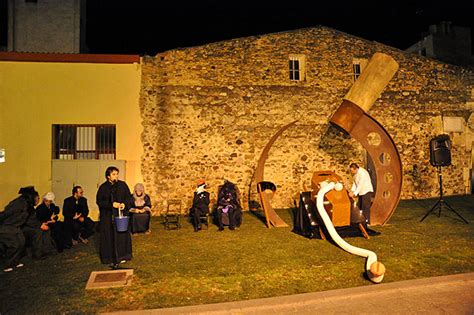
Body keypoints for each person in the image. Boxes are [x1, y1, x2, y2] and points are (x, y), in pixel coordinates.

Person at [96, 166, 132, 269]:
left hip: (120, 216)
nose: (116, 176)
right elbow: (100, 201)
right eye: (113, 174)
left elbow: (128, 197)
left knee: (121, 235)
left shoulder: (122, 185)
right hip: (108, 217)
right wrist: (111, 204)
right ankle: (109, 258)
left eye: (117, 174)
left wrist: (124, 204)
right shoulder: (103, 187)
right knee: (109, 236)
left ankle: (123, 255)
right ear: (108, 176)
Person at [0, 186, 38, 272]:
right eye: (35, 197)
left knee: (21, 241)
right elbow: (6, 213)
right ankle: (8, 264)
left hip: (16, 227)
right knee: (14, 244)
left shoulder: (28, 206)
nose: (37, 199)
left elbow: (30, 220)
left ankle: (15, 262)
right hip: (7, 226)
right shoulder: (18, 203)